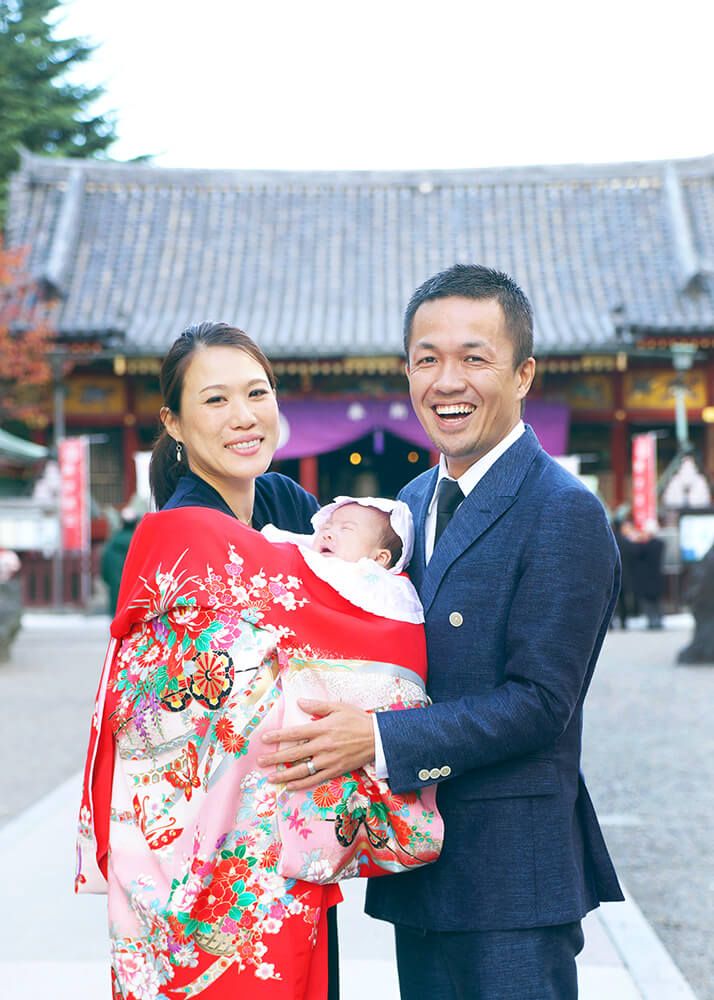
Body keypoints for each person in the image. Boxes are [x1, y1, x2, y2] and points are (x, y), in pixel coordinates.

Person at [259, 264, 624, 999]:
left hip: (512, 874)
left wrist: (380, 740)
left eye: (473, 358)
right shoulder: (410, 501)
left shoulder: (564, 511)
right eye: (427, 358)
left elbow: (539, 702)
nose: (446, 380)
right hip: (420, 862)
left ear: (523, 374)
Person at [75, 323, 439, 999]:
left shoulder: (288, 506)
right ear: (173, 423)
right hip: (205, 855)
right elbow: (171, 725)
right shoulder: (180, 534)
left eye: (257, 392)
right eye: (215, 401)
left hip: (286, 846)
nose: (244, 417)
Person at [100, 506, 140, 615]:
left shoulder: (112, 543)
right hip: (136, 595)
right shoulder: (140, 541)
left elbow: (105, 571)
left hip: (116, 593)